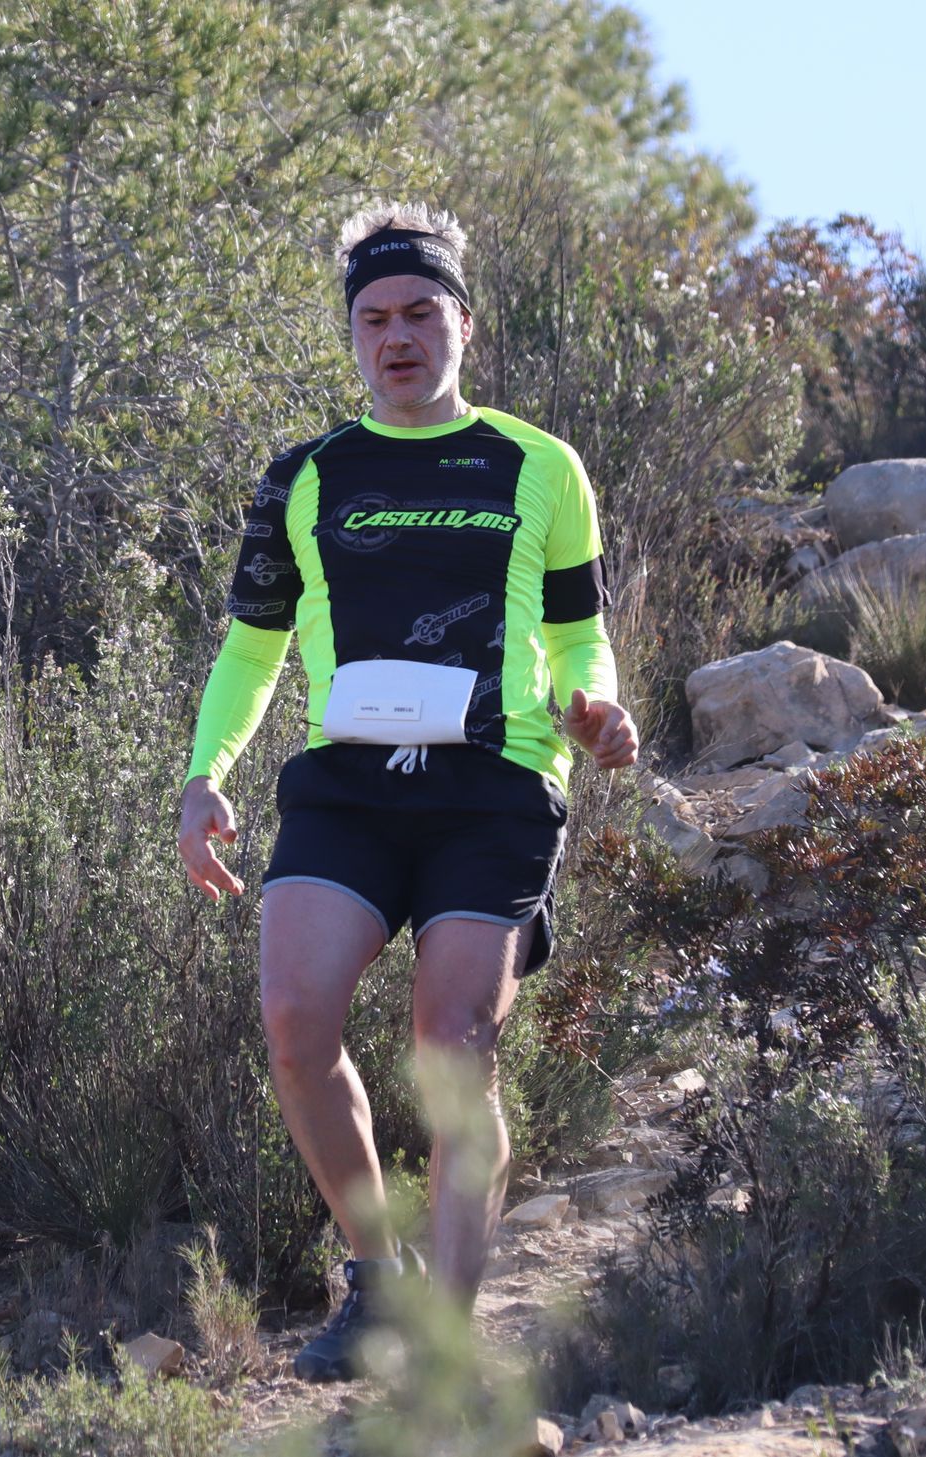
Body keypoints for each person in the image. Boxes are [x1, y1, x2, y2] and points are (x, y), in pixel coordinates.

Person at [175, 201, 638, 1383]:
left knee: (451, 1043)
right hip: (346, 786)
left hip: (496, 785)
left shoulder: (539, 465)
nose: (396, 336)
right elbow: (251, 648)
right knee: (294, 1022)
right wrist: (203, 775)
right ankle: (376, 1277)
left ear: (462, 324)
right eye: (372, 318)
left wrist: (592, 704)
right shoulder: (303, 475)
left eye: (420, 312)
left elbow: (578, 632)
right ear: (351, 336)